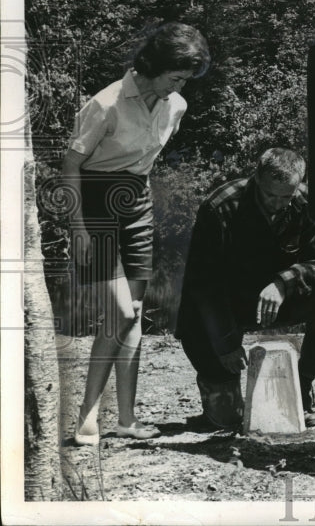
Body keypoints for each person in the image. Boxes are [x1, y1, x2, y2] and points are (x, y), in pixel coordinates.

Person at [64, 22, 210, 445]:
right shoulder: (106, 103)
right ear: (155, 65)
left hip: (138, 204)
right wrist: (78, 225)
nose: (180, 85)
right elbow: (71, 165)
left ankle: (126, 419)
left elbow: (145, 160)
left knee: (134, 317)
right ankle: (87, 417)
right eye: (176, 75)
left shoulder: (176, 106)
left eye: (185, 79)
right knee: (120, 314)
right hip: (95, 204)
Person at [175, 148, 315, 428]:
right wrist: (226, 342)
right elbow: (204, 283)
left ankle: (302, 386)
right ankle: (219, 396)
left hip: (276, 301)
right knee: (228, 421)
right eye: (270, 195)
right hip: (222, 307)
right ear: (256, 179)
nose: (278, 204)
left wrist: (282, 283)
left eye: (286, 197)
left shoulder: (309, 202)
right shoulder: (220, 205)